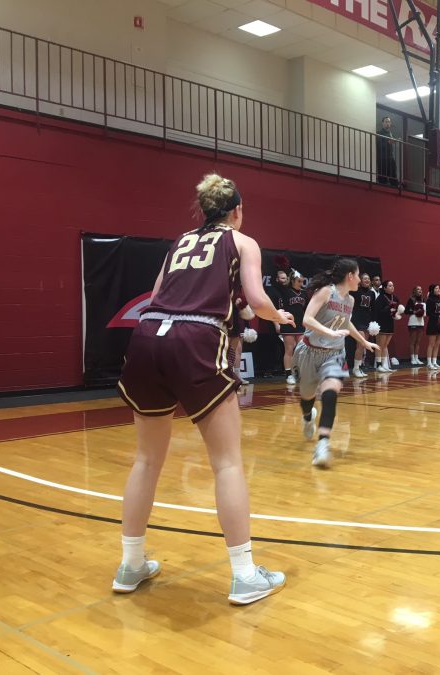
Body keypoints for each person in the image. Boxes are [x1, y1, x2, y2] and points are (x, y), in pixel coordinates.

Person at [114, 173, 294, 605]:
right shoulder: (242, 240)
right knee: (228, 463)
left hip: (148, 336)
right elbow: (256, 296)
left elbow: (158, 293)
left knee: (146, 460)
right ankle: (245, 575)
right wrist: (278, 316)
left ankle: (130, 564)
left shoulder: (180, 240)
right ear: (236, 211)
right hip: (195, 340)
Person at [294, 258, 379, 468]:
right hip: (309, 351)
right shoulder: (325, 292)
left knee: (330, 393)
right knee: (307, 396)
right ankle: (307, 416)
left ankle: (323, 444)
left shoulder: (350, 300)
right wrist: (330, 332)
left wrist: (363, 340)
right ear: (350, 276)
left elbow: (345, 321)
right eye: (358, 275)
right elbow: (307, 319)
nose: (360, 279)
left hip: (335, 353)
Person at [276, 271, 308, 385]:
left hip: (300, 325)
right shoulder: (286, 291)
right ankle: (289, 375)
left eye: (302, 281)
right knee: (289, 349)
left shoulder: (304, 294)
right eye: (299, 281)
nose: (301, 283)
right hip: (288, 324)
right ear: (293, 281)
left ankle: (299, 372)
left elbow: (306, 310)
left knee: (302, 350)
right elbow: (277, 283)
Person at [348, 272, 375, 378]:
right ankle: (355, 368)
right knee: (360, 345)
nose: (367, 280)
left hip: (367, 321)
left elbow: (372, 309)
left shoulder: (372, 293)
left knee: (364, 345)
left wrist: (373, 323)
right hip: (357, 320)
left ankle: (358, 367)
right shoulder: (355, 291)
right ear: (360, 280)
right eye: (365, 279)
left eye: (368, 279)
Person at [372, 280, 401, 372]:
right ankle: (379, 365)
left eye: (393, 285)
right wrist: (388, 307)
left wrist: (397, 314)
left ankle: (385, 365)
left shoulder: (395, 298)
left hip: (390, 323)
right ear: (384, 288)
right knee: (380, 345)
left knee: (385, 346)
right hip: (381, 323)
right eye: (389, 286)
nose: (392, 287)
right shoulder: (380, 298)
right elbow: (377, 312)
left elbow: (396, 310)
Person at [425, 284, 440, 369]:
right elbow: (428, 313)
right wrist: (437, 317)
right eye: (436, 288)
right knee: (431, 344)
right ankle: (429, 363)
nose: (438, 289)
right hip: (432, 323)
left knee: (437, 344)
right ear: (432, 290)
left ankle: (435, 362)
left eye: (439, 288)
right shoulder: (429, 300)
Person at [405, 285, 426, 365]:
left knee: (418, 341)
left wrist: (423, 313)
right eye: (418, 289)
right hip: (413, 322)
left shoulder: (423, 300)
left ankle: (417, 358)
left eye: (421, 289)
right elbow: (406, 311)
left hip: (421, 322)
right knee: (413, 341)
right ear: (414, 291)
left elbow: (425, 311)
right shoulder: (411, 299)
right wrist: (414, 312)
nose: (420, 290)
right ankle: (412, 358)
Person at [376, 116, 398, 187]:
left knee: (393, 171)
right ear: (382, 123)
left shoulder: (390, 134)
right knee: (383, 175)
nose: (388, 123)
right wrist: (388, 142)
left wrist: (393, 141)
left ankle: (395, 186)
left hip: (390, 156)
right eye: (386, 122)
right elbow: (379, 145)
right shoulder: (379, 133)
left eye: (389, 122)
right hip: (382, 157)